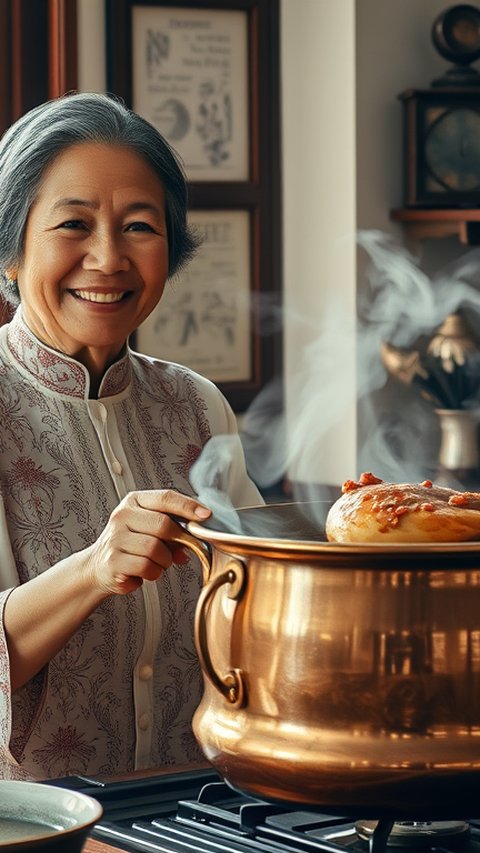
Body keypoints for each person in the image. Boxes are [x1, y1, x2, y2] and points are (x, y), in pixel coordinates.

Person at [0, 91, 262, 781]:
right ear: (9, 252)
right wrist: (91, 570)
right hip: (35, 829)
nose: (109, 258)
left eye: (140, 226)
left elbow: (264, 611)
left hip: (200, 810)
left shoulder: (197, 406)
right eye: (74, 224)